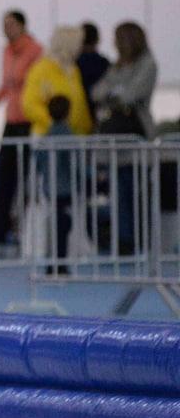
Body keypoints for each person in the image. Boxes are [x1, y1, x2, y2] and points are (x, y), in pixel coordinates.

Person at [91, 21, 158, 255]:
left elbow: (133, 93)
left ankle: (142, 240)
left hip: (137, 136)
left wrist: (114, 93)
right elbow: (98, 91)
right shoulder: (116, 66)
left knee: (138, 191)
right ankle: (124, 239)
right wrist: (116, 93)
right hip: (114, 142)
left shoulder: (148, 63)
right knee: (118, 193)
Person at [0, 10, 43, 248]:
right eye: (4, 24)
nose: (7, 28)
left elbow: (30, 83)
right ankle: (0, 228)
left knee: (27, 177)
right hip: (11, 120)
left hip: (28, 120)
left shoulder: (35, 51)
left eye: (11, 24)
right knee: (5, 177)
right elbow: (6, 84)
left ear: (23, 25)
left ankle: (25, 228)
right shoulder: (5, 51)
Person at [35, 94, 76, 274]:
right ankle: (60, 263)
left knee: (55, 224)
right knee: (63, 224)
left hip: (49, 187)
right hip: (65, 187)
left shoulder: (46, 136)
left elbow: (39, 163)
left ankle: (53, 261)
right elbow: (72, 163)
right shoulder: (68, 136)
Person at [77, 22, 110, 109]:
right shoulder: (104, 63)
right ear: (97, 40)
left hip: (77, 109)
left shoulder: (72, 64)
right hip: (99, 109)